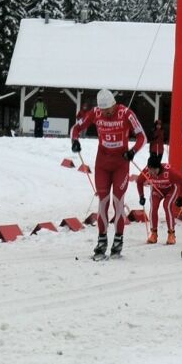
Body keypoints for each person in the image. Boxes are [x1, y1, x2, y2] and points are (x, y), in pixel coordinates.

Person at [71, 89, 145, 258]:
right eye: (103, 110)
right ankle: (102, 240)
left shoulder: (125, 113)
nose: (106, 113)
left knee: (118, 201)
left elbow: (142, 136)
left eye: (108, 110)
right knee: (103, 201)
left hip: (121, 164)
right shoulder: (96, 113)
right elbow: (76, 128)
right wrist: (74, 141)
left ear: (113, 104)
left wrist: (133, 151)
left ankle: (118, 239)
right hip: (103, 164)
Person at [136, 155, 182, 244]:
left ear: (159, 168)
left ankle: (171, 234)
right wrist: (141, 196)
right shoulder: (147, 171)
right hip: (157, 189)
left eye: (154, 170)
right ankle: (154, 234)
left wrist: (181, 197)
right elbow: (139, 182)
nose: (152, 173)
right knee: (153, 207)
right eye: (150, 169)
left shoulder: (169, 172)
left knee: (166, 206)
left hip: (170, 189)